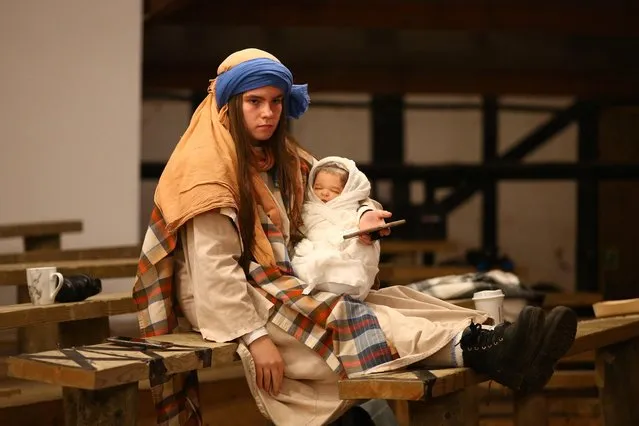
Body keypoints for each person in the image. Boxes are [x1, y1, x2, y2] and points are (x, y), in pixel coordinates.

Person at [133, 48, 578, 426]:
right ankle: (488, 349)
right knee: (348, 315)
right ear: (230, 104)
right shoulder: (205, 173)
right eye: (255, 102)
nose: (268, 113)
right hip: (232, 302)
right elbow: (213, 271)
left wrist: (359, 227)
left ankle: (494, 341)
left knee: (394, 300)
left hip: (280, 279)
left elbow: (328, 208)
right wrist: (254, 338)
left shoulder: (278, 158)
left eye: (275, 102)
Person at [291, 156, 380, 300]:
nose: (324, 193)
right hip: (310, 262)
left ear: (348, 192)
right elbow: (298, 232)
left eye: (334, 190)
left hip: (343, 259)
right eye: (318, 188)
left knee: (360, 246)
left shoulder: (353, 211)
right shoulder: (307, 208)